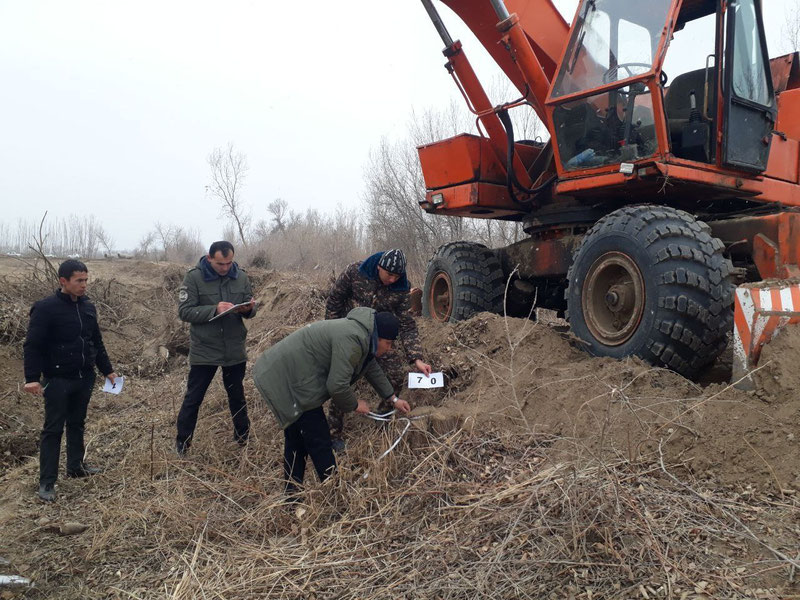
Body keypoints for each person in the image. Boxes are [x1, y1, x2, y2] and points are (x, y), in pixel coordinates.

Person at [253, 308, 411, 495]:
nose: (389, 349)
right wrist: (354, 404)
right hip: (287, 379)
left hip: (291, 377)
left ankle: (291, 495)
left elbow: (370, 367)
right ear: (378, 336)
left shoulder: (363, 335)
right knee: (319, 440)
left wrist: (393, 398)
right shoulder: (353, 339)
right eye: (388, 343)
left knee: (297, 439)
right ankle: (335, 496)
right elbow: (337, 386)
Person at [23, 259, 117, 502]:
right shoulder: (45, 308)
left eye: (86, 280)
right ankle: (47, 482)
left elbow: (96, 341)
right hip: (57, 379)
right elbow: (33, 345)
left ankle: (76, 467)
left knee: (77, 423)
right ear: (63, 281)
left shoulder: (88, 307)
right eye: (79, 281)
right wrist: (32, 378)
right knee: (53, 430)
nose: (84, 285)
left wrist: (107, 370)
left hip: (84, 377)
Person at [325, 249, 431, 445]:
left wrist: (416, 358)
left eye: (396, 276)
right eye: (389, 274)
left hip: (379, 341)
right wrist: (333, 334)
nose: (392, 280)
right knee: (342, 380)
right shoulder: (356, 272)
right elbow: (334, 301)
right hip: (349, 337)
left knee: (395, 375)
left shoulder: (401, 289)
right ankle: (333, 432)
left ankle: (383, 417)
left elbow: (407, 324)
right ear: (379, 267)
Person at [175, 241, 256, 455]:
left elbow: (250, 309)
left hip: (234, 348)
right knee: (194, 398)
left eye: (229, 263)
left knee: (237, 395)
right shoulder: (194, 278)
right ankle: (182, 444)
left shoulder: (242, 277)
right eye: (221, 264)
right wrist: (214, 309)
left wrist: (247, 309)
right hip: (205, 350)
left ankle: (242, 439)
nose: (226, 268)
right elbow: (184, 311)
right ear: (209, 258)